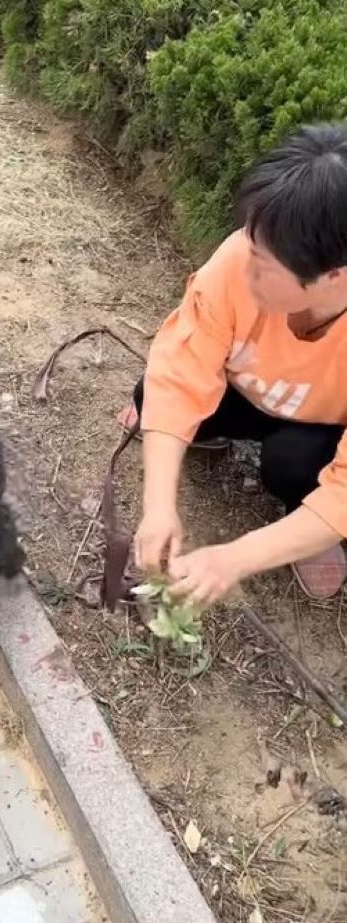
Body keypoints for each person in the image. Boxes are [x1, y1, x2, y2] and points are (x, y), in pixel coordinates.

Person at [129, 122, 347, 605]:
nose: (243, 270)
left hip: (318, 426)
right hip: (246, 390)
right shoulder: (239, 257)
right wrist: (158, 505)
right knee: (151, 396)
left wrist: (232, 558)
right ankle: (206, 436)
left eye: (263, 265)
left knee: (293, 465)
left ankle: (308, 529)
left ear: (333, 276)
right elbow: (179, 373)